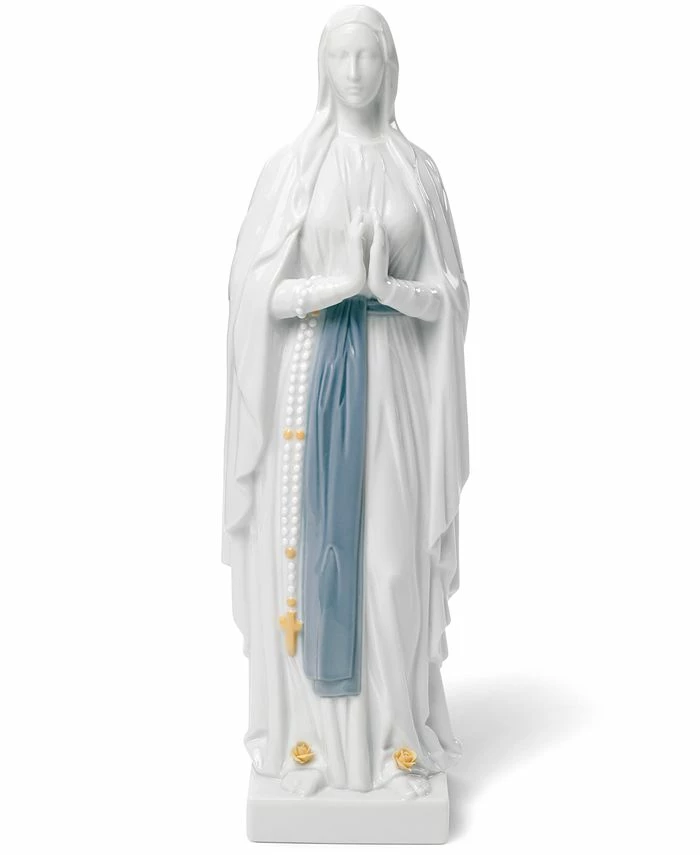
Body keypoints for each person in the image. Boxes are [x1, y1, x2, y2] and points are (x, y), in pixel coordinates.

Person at [222, 5, 470, 799]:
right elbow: (254, 293)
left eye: (369, 55)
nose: (356, 71)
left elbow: (450, 296)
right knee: (309, 558)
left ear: (390, 67)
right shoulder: (294, 169)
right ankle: (314, 747)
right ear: (323, 68)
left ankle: (397, 743)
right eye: (343, 56)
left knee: (391, 564)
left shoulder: (417, 172)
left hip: (392, 381)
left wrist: (388, 288)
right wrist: (338, 286)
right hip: (309, 384)